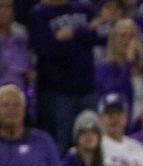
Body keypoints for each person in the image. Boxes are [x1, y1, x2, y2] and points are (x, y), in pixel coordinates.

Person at [28, 0, 96, 152]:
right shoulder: (39, 14)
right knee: (61, 145)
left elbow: (96, 36)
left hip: (88, 88)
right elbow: (45, 49)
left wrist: (72, 34)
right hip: (57, 93)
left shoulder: (84, 8)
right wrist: (80, 38)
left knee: (92, 145)